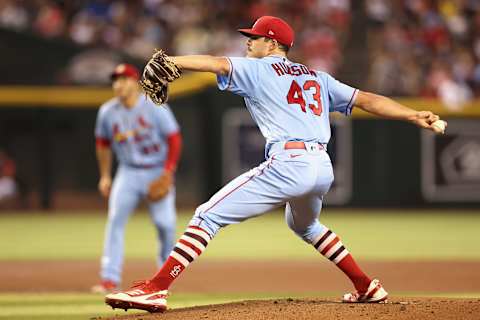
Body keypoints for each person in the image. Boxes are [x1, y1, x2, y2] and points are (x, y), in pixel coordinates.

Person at [105, 16, 445, 311]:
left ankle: (156, 287)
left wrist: (174, 61)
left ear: (270, 43)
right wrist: (412, 114)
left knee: (207, 215)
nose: (248, 44)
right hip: (321, 166)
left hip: (289, 162)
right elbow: (367, 99)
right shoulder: (317, 76)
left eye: (252, 38)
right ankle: (366, 286)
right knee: (305, 225)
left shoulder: (257, 67)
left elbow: (217, 63)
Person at [91, 63, 182, 293]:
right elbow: (102, 144)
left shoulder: (154, 106)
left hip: (156, 169)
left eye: (124, 79)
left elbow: (174, 139)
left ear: (135, 83)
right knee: (115, 221)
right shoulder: (107, 112)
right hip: (128, 171)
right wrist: (104, 176)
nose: (119, 85)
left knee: (166, 225)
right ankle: (109, 279)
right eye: (116, 80)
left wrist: (168, 171)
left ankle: (164, 278)